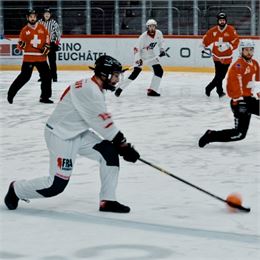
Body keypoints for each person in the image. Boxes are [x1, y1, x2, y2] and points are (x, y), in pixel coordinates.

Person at [4, 55, 140, 213]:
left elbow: (99, 122)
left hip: (78, 133)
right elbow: (104, 124)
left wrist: (120, 146)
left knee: (109, 153)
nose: (118, 79)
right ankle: (17, 189)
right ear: (105, 74)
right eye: (116, 75)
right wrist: (123, 145)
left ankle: (107, 200)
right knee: (55, 186)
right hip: (61, 136)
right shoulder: (90, 91)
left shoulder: (93, 87)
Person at [198, 39, 260, 148]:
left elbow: (258, 81)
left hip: (251, 100)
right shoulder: (238, 66)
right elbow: (234, 84)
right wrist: (239, 100)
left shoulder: (255, 64)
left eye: (251, 50)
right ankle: (211, 135)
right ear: (241, 51)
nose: (249, 52)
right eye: (246, 50)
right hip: (240, 102)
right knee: (239, 134)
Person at [7, 9, 53, 104]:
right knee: (24, 77)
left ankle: (44, 97)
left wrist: (47, 46)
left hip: (41, 58)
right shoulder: (24, 30)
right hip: (29, 58)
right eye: (31, 17)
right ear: (27, 18)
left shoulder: (42, 27)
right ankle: (10, 94)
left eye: (34, 17)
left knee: (47, 77)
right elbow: (20, 45)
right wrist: (21, 45)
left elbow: (47, 38)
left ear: (36, 17)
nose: (32, 18)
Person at [115, 19, 165, 97]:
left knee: (159, 71)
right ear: (147, 27)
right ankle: (119, 89)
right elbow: (136, 49)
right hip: (141, 55)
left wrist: (162, 50)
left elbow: (161, 43)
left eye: (153, 26)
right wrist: (139, 59)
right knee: (135, 73)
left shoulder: (159, 33)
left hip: (151, 54)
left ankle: (152, 90)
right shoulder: (143, 37)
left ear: (155, 27)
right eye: (150, 26)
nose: (152, 28)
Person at [202, 12, 239, 98]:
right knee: (218, 75)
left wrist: (228, 46)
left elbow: (236, 41)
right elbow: (206, 38)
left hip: (227, 57)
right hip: (216, 57)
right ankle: (219, 91)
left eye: (223, 20)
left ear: (226, 21)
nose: (222, 22)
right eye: (220, 20)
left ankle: (208, 88)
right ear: (218, 21)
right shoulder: (213, 30)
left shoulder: (231, 30)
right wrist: (203, 46)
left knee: (221, 76)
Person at [39, 8, 61, 82]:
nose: (47, 15)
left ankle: (54, 77)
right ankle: (43, 76)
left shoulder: (53, 23)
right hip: (42, 44)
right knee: (42, 62)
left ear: (50, 14)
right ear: (43, 14)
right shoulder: (39, 22)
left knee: (52, 62)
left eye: (48, 13)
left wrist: (56, 43)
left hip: (51, 44)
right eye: (46, 13)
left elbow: (58, 34)